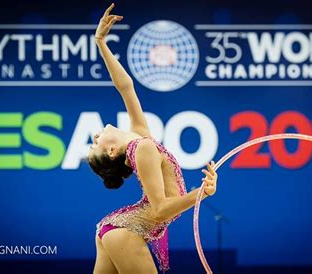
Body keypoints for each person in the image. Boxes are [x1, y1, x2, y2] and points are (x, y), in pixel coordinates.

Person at [88, 3, 218, 273]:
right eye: (95, 143)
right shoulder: (143, 147)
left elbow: (126, 87)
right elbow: (159, 210)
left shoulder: (140, 138)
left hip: (117, 229)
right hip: (126, 231)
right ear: (112, 151)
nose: (95, 134)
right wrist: (200, 194)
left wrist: (100, 42)